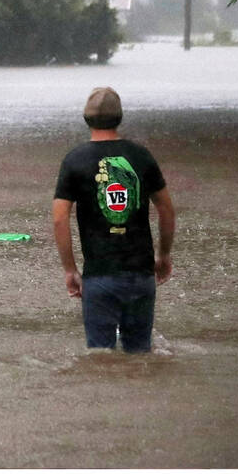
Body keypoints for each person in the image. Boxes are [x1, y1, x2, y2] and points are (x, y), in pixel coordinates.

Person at [53, 87, 176, 353]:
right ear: (119, 118)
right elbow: (166, 209)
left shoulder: (75, 160)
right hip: (141, 274)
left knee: (100, 358)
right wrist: (163, 255)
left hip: (99, 276)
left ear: (86, 118)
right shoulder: (141, 156)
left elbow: (60, 218)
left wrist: (70, 270)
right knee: (140, 356)